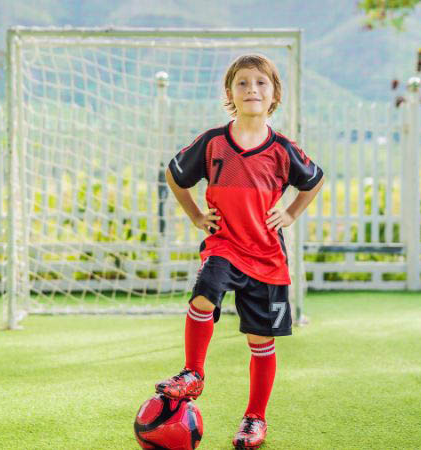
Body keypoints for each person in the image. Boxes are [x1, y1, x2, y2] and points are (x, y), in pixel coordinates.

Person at [156, 53, 324, 449]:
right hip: (224, 245)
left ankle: (254, 418)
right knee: (202, 294)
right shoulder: (214, 142)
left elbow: (314, 180)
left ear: (273, 94)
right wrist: (197, 214)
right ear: (230, 92)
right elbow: (174, 174)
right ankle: (193, 373)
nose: (252, 89)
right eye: (243, 83)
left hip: (266, 257)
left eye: (260, 83)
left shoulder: (283, 149)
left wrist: (292, 212)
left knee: (260, 342)